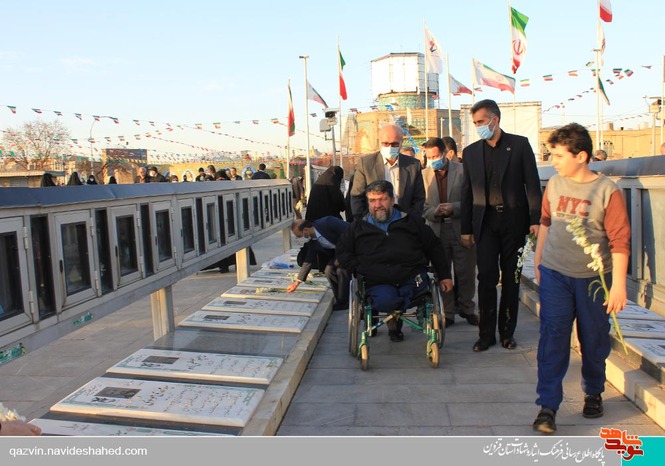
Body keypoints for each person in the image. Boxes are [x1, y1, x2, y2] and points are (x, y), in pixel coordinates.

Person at [531, 123, 630, 434]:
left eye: (559, 155)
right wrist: (538, 261)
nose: (554, 161)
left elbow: (620, 241)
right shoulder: (554, 184)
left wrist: (618, 286)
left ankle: (594, 391)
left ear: (581, 156)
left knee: (594, 338)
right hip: (555, 274)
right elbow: (545, 223)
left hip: (593, 280)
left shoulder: (607, 191)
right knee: (553, 338)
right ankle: (547, 407)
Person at [460, 99, 542, 352]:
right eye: (475, 123)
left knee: (511, 277)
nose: (478, 126)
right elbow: (466, 192)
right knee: (486, 277)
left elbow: (532, 184)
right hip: (485, 223)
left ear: (495, 120)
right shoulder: (471, 152)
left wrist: (535, 220)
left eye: (481, 121)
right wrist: (466, 229)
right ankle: (486, 335)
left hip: (513, 222)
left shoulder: (519, 145)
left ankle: (507, 332)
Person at [337, 180, 453, 342]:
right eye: (372, 200)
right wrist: (358, 268)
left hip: (411, 277)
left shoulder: (411, 222)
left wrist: (445, 275)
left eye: (382, 199)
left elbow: (434, 246)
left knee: (412, 294)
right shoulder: (358, 227)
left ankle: (394, 322)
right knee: (387, 300)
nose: (378, 205)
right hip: (377, 281)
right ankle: (392, 322)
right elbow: (343, 251)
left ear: (392, 200)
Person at [422, 137, 478, 328]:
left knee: (466, 271)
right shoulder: (423, 176)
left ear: (445, 153)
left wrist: (454, 207)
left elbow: (473, 199)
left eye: (435, 156)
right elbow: (421, 206)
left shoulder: (462, 171)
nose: (433, 160)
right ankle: (448, 312)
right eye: (429, 157)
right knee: (442, 271)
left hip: (461, 228)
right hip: (437, 229)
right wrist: (434, 211)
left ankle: (467, 308)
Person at [350, 124, 425, 221]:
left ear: (401, 143)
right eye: (386, 143)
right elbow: (357, 196)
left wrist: (412, 221)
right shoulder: (366, 164)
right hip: (373, 222)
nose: (390, 147)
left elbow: (419, 198)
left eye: (394, 144)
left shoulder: (413, 165)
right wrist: (364, 222)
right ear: (380, 142)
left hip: (405, 222)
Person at [288, 217, 350, 310]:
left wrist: (342, 256)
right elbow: (308, 261)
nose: (300, 239)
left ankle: (345, 301)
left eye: (300, 236)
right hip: (338, 253)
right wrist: (297, 282)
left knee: (341, 270)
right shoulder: (313, 241)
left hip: (351, 248)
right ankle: (340, 299)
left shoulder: (327, 222)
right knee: (328, 271)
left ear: (306, 230)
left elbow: (350, 234)